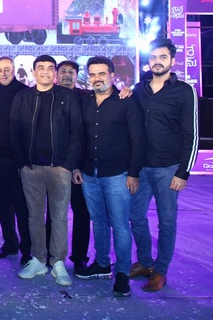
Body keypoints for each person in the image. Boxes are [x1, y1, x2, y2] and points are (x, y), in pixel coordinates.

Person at [130, 38, 199, 292]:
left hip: (169, 168)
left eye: (162, 57)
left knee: (166, 222)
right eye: (153, 57)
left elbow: (192, 134)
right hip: (141, 168)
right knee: (135, 216)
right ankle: (145, 263)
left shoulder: (184, 90)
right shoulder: (139, 89)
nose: (157, 62)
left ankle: (160, 271)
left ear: (172, 60)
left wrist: (183, 172)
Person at [74, 56, 145, 297]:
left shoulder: (127, 101)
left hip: (118, 174)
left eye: (101, 73)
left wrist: (133, 173)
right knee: (98, 220)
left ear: (112, 75)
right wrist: (77, 167)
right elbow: (80, 137)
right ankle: (102, 263)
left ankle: (122, 272)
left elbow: (138, 140)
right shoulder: (84, 101)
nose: (97, 78)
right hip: (89, 173)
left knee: (120, 224)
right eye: (92, 74)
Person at [10, 55, 83, 286]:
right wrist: (22, 164)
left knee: (59, 217)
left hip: (59, 168)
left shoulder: (66, 96)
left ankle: (58, 261)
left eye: (50, 68)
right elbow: (14, 132)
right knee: (34, 217)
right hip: (31, 168)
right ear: (33, 72)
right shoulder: (22, 97)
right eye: (40, 68)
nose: (45, 72)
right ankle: (39, 259)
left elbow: (77, 131)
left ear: (55, 73)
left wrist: (68, 164)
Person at [46, 60, 90, 274]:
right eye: (62, 71)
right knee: (53, 212)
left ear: (76, 75)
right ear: (56, 74)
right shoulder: (48, 95)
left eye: (70, 72)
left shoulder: (86, 97)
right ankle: (50, 254)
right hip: (54, 165)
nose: (66, 75)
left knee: (82, 213)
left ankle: (79, 257)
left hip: (80, 166)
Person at [0, 56, 31, 266]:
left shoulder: (26, 92)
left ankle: (27, 248)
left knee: (22, 206)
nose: (3, 73)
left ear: (14, 70)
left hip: (19, 160)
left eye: (7, 69)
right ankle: (10, 243)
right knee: (3, 204)